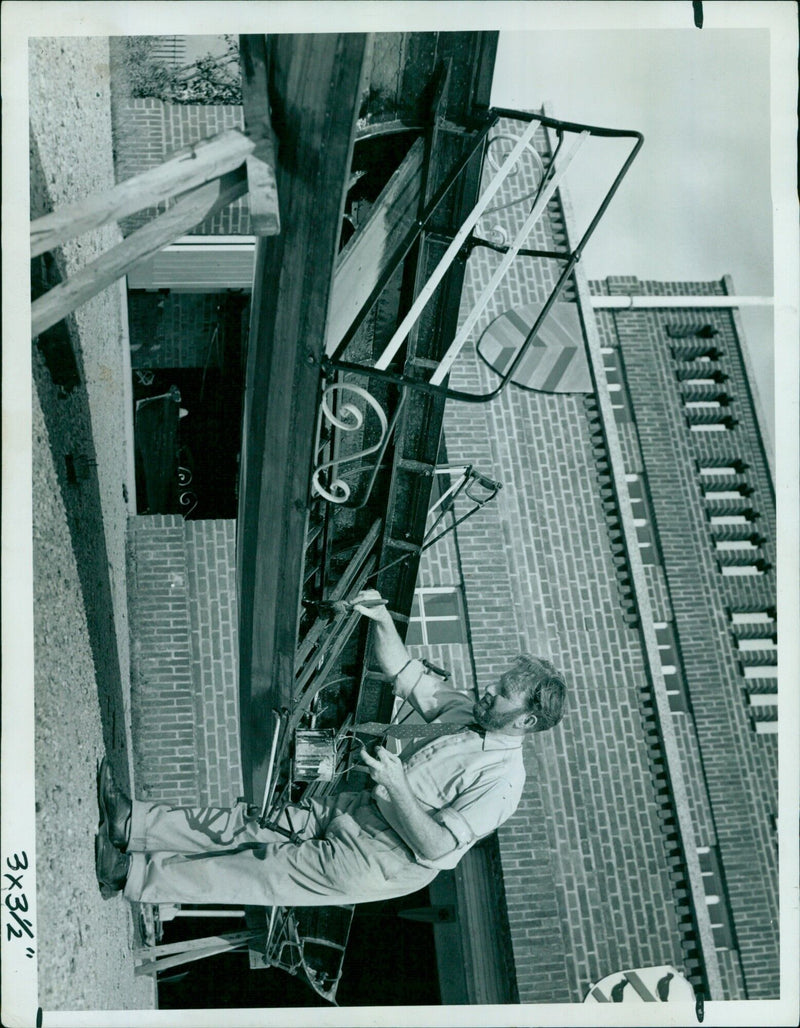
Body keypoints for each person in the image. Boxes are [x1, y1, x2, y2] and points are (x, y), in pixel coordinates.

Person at [95, 589, 566, 907]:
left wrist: (398, 787)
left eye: (502, 693)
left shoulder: (504, 783)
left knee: (258, 870)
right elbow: (402, 671)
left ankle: (128, 876)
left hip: (382, 860)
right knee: (251, 823)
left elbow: (438, 845)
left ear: (525, 719)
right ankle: (130, 821)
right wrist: (381, 618)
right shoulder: (469, 712)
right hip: (354, 810)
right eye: (496, 683)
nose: (487, 691)